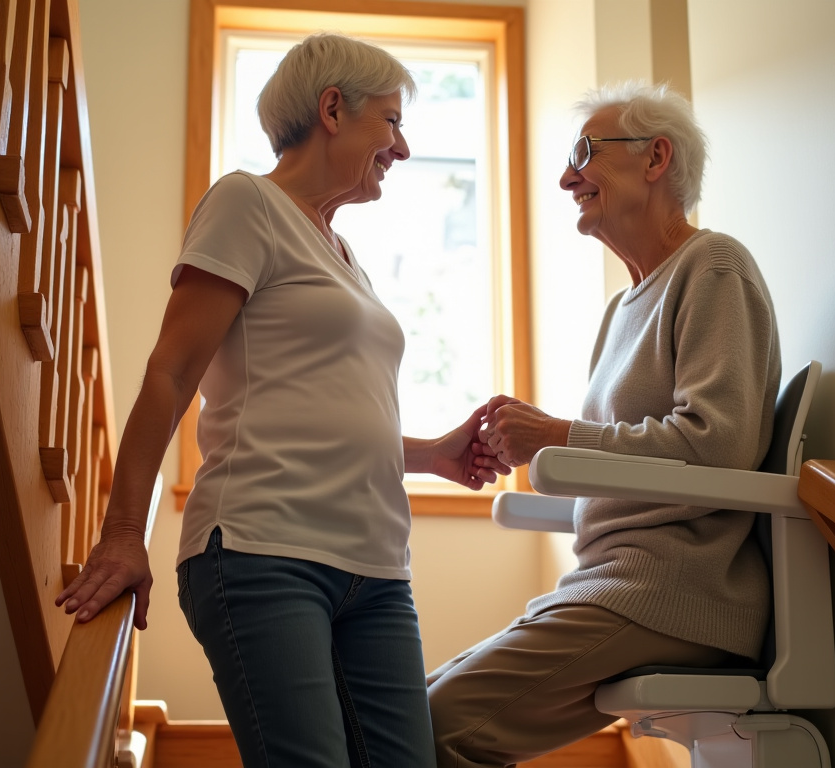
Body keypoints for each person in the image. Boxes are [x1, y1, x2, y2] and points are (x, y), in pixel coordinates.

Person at [55, 33, 507, 768]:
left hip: (377, 570)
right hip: (263, 552)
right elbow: (170, 375)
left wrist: (432, 454)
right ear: (333, 108)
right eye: (391, 121)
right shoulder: (247, 203)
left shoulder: (343, 255)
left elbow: (310, 411)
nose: (404, 146)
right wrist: (122, 531)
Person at [433, 81, 783, 767]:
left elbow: (719, 446)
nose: (567, 178)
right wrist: (536, 444)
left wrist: (559, 437)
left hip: (672, 590)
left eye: (586, 153)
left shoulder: (713, 267)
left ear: (656, 159)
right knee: (405, 711)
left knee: (426, 724)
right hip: (613, 583)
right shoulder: (622, 308)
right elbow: (623, 463)